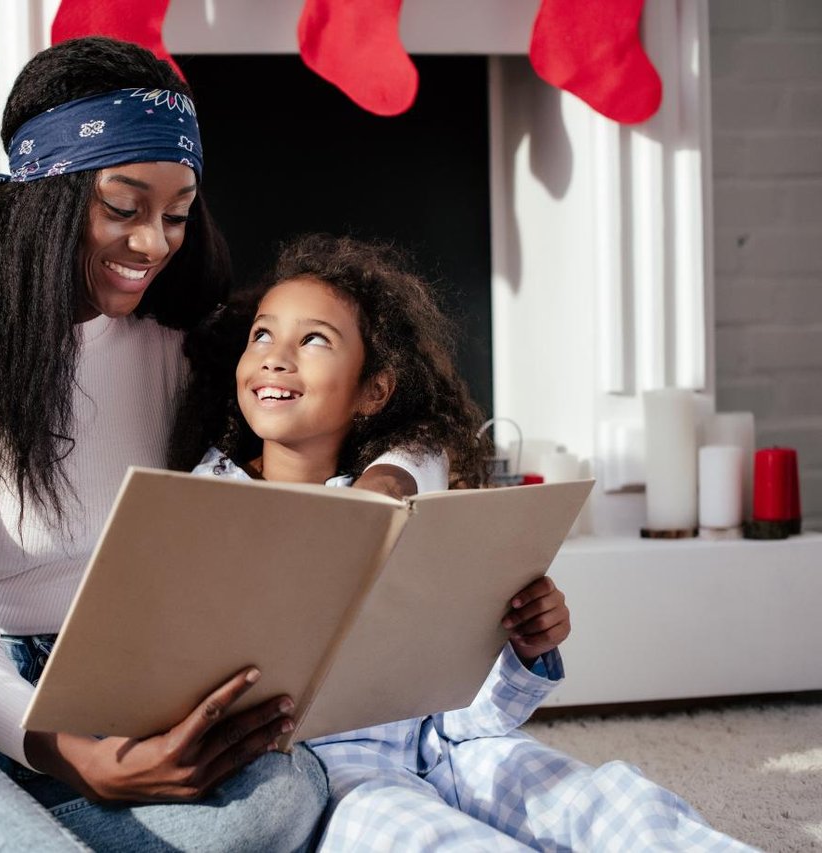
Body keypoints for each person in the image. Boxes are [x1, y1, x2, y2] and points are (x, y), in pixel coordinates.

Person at [0, 37, 327, 853]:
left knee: (283, 793)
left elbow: (389, 405)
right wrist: (74, 758)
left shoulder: (191, 351)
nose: (154, 243)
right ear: (47, 195)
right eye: (124, 207)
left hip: (131, 695)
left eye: (178, 214)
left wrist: (395, 476)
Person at [182, 233, 752, 851]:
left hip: (455, 747)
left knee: (611, 801)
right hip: (330, 771)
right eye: (262, 334)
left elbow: (476, 717)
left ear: (374, 390)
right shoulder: (209, 498)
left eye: (314, 339)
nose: (276, 356)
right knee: (426, 836)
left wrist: (524, 648)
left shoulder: (410, 502)